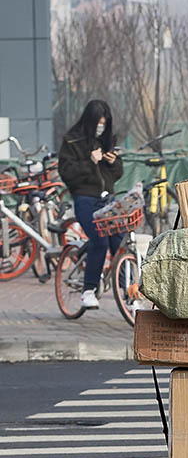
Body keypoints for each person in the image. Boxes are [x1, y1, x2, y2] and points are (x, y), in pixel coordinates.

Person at [57, 100, 123, 309]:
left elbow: (115, 175)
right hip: (85, 199)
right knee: (99, 240)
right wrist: (90, 162)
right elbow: (66, 173)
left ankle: (127, 290)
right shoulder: (72, 141)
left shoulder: (106, 141)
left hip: (107, 199)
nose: (101, 127)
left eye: (104, 123)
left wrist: (114, 163)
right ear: (89, 121)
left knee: (119, 242)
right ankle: (88, 291)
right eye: (98, 123)